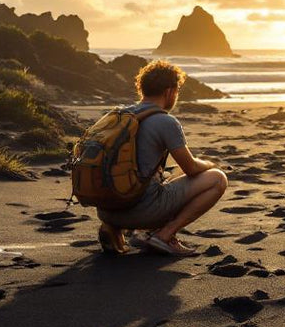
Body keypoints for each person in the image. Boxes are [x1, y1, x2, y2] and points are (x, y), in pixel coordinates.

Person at [97, 60, 228, 256]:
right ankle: (165, 235)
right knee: (217, 179)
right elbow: (191, 167)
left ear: (142, 89)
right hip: (142, 212)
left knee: (169, 173)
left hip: (107, 209)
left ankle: (112, 227)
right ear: (169, 92)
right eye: (177, 91)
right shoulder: (165, 121)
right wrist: (209, 163)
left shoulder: (120, 115)